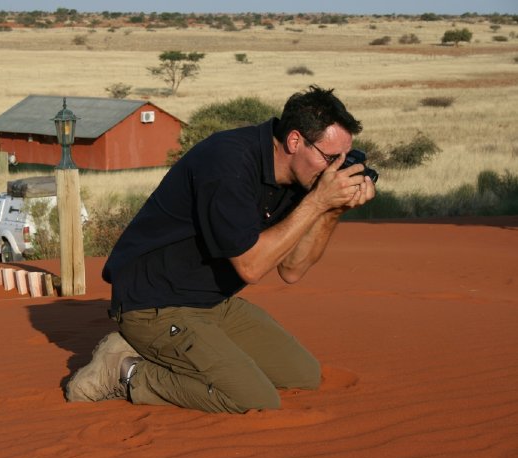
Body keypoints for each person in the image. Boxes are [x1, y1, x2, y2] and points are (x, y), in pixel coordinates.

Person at [66, 85, 376, 413]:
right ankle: (124, 372)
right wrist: (318, 201)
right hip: (154, 303)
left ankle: (160, 351)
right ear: (295, 141)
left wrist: (331, 209)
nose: (336, 168)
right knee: (253, 398)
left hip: (211, 303)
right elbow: (251, 267)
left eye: (344, 158)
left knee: (303, 375)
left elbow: (293, 270)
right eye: (331, 157)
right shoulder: (229, 162)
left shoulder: (302, 179)